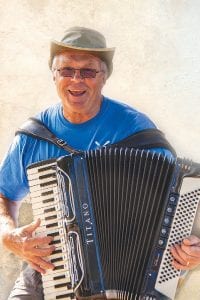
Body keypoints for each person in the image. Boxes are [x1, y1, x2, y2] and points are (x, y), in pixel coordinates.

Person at [0, 26, 200, 300]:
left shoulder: (139, 132)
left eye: (88, 71)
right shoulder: (34, 135)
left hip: (135, 278)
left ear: (104, 76)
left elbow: (182, 201)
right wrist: (8, 235)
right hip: (50, 268)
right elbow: (4, 194)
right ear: (54, 75)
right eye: (67, 70)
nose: (76, 80)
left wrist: (192, 249)